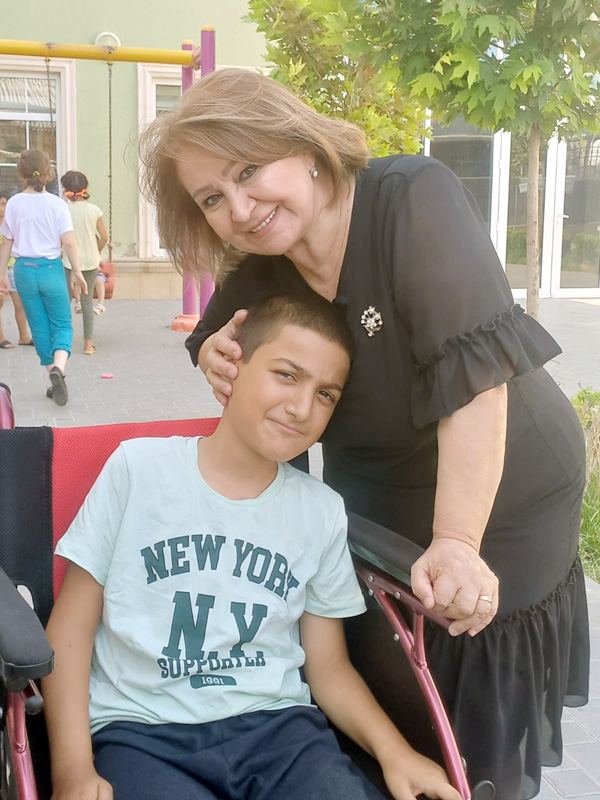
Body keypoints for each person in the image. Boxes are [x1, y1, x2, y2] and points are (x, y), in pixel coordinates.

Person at [138, 68, 590, 800]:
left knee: (464, 697)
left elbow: (478, 387)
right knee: (381, 676)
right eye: (212, 198)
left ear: (304, 147)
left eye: (249, 171)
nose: (240, 209)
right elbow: (216, 332)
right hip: (378, 489)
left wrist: (457, 541)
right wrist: (213, 352)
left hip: (500, 487)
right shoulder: (267, 261)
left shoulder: (410, 199)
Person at [42, 293, 459, 800]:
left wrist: (396, 753)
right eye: (286, 375)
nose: (302, 407)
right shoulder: (137, 470)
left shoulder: (321, 512)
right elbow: (70, 629)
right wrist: (71, 769)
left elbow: (327, 667)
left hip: (279, 733)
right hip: (142, 732)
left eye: (326, 394)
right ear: (232, 367)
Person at [0, 151, 87, 405]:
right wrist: (78, 272)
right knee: (62, 324)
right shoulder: (57, 204)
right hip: (50, 269)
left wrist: (2, 272)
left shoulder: (14, 203)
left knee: (39, 327)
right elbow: (68, 242)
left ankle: (55, 377)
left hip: (24, 271)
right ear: (49, 174)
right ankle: (59, 368)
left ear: (21, 175)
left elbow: (7, 242)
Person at [61, 171, 108, 355]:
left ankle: (62, 340)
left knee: (65, 299)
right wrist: (97, 250)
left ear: (66, 190)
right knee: (87, 301)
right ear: (85, 188)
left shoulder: (64, 210)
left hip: (68, 261)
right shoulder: (94, 210)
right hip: (90, 260)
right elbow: (104, 237)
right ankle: (88, 344)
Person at [0, 191, 33, 349]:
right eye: (1, 204)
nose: (4, 207)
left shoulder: (10, 223)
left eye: (6, 204)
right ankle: (1, 338)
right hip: (1, 269)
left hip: (14, 266)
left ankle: (24, 336)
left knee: (20, 303)